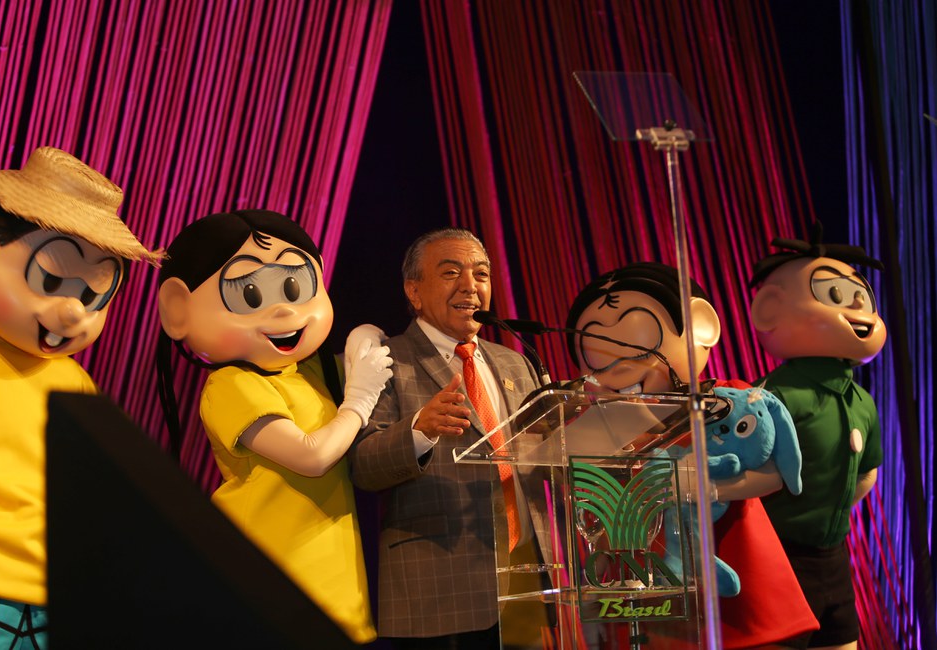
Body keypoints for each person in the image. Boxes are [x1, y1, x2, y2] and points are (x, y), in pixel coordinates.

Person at [0, 147, 162, 648]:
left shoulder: (75, 384)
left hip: (58, 598)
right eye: (51, 279)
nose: (74, 313)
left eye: (93, 297)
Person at [155, 209, 392, 644]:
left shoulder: (309, 372)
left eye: (294, 286)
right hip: (267, 574)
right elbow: (312, 456)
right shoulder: (231, 385)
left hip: (336, 582)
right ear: (178, 310)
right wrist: (359, 401)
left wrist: (363, 339)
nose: (283, 308)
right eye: (249, 292)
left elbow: (363, 362)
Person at [565, 261, 818, 649]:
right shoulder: (599, 423)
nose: (617, 364)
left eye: (634, 342)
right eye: (597, 347)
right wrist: (594, 586)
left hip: (733, 558)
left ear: (701, 327)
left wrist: (709, 488)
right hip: (645, 584)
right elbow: (594, 510)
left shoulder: (726, 399)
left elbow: (774, 473)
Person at [347, 228, 542, 649]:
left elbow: (541, 454)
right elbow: (362, 466)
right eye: (451, 272)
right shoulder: (385, 360)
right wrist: (418, 430)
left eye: (481, 274)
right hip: (439, 589)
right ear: (414, 291)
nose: (470, 286)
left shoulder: (515, 362)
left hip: (528, 581)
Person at [748, 224, 886, 650]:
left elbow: (866, 474)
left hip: (834, 558)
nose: (858, 307)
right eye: (836, 294)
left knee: (841, 639)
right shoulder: (772, 397)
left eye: (862, 297)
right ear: (769, 309)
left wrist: (831, 507)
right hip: (780, 559)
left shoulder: (862, 400)